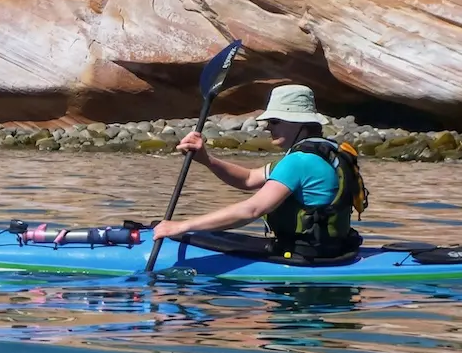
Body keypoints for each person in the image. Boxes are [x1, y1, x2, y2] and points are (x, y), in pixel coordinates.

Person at [151, 84, 369, 261]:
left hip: (306, 256)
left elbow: (252, 210)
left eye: (274, 121)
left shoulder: (300, 161)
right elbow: (248, 179)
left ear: (299, 124)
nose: (267, 127)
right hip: (333, 249)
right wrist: (207, 160)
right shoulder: (325, 151)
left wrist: (181, 226)